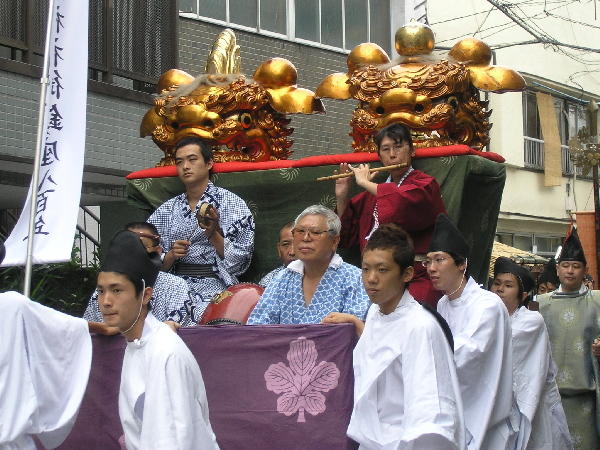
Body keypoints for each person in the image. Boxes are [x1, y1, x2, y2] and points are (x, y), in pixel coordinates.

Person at [345, 224, 466, 449]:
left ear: (407, 274)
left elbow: (430, 413)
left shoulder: (420, 327)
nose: (371, 279)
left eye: (382, 270)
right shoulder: (375, 313)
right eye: (365, 269)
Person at [97, 230, 219, 449]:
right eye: (101, 291)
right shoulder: (136, 344)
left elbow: (172, 440)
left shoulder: (165, 352)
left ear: (145, 295)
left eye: (117, 290)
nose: (106, 301)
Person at [426, 214, 515, 450]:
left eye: (439, 259)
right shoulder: (443, 304)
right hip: (455, 409)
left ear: (462, 264)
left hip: (483, 411)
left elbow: (466, 355)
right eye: (428, 261)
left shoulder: (487, 305)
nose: (431, 268)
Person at [335, 123, 447, 307]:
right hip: (374, 278)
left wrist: (364, 182)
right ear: (379, 156)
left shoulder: (425, 185)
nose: (392, 155)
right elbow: (346, 237)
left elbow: (401, 204)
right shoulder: (369, 196)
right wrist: (342, 195)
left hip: (415, 276)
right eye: (386, 149)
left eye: (398, 147)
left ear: (412, 151)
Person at [148, 136, 255, 321]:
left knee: (208, 317)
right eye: (179, 162)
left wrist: (213, 234)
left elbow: (241, 259)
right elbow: (147, 255)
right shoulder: (166, 210)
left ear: (209, 163)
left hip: (213, 283)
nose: (185, 166)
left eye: (192, 159)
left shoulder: (232, 203)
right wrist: (171, 255)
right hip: (173, 285)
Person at [0, 239, 93, 450]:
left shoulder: (12, 305)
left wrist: (103, 328)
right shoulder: (11, 305)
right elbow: (66, 328)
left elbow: (63, 326)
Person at [491, 257, 572, 450]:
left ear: (524, 295)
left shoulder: (530, 322)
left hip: (530, 405)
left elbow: (498, 351)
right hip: (497, 405)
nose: (500, 289)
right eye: (497, 283)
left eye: (508, 285)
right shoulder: (486, 318)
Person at [247, 205, 370, 324]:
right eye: (300, 231)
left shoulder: (355, 279)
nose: (306, 238)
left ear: (334, 241)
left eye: (315, 232)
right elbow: (258, 327)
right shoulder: (281, 279)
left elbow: (354, 331)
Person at [538, 228, 600, 449]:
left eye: (576, 266)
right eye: (565, 265)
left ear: (585, 270)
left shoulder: (597, 301)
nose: (570, 271)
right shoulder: (541, 304)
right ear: (557, 269)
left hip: (586, 398)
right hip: (550, 399)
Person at [84, 222, 193, 326]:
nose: (133, 252)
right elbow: (91, 333)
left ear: (158, 251)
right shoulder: (105, 289)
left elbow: (178, 330)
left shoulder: (175, 286)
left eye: (141, 246)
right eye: (127, 247)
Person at [258, 222, 295, 287]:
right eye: (285, 244)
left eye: (298, 244)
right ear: (279, 249)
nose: (292, 252)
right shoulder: (269, 282)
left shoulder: (318, 279)